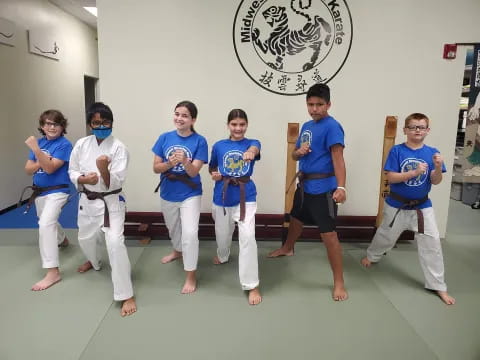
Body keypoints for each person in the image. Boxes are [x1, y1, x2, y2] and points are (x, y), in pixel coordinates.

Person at [361, 113, 455, 305]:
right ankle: (373, 255)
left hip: (422, 207)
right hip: (396, 204)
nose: (417, 130)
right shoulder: (397, 151)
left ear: (427, 130)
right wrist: (413, 172)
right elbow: (391, 178)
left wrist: (436, 168)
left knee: (432, 244)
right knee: (386, 234)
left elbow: (436, 181)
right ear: (405, 130)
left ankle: (438, 285)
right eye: (413, 127)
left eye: (421, 127)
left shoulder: (432, 153)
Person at [268, 83, 348, 301]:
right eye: (311, 104)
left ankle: (339, 282)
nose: (315, 109)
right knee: (296, 218)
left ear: (328, 104)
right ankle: (288, 247)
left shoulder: (333, 127)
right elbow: (295, 156)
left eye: (319, 104)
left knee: (328, 235)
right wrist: (298, 152)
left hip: (324, 189)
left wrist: (341, 187)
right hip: (304, 185)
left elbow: (338, 158)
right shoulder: (306, 126)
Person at [68, 102, 137, 316]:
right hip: (86, 200)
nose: (100, 126)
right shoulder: (81, 144)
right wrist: (81, 178)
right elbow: (72, 170)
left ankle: (126, 294)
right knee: (85, 239)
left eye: (105, 122)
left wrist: (103, 170)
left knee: (115, 244)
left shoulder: (119, 148)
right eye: (96, 122)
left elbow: (115, 183)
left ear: (112, 123)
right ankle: (94, 262)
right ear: (90, 124)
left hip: (111, 203)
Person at [152, 101, 208, 294]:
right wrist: (170, 162)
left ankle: (190, 275)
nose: (179, 118)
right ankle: (177, 251)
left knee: (190, 233)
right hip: (168, 191)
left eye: (185, 115)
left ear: (193, 119)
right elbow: (155, 168)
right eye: (177, 114)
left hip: (190, 192)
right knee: (173, 226)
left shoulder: (200, 141)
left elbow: (193, 173)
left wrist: (184, 161)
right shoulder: (164, 138)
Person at [209, 109, 262, 305]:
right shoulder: (219, 146)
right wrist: (214, 174)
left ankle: (251, 284)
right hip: (222, 195)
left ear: (246, 125)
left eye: (242, 124)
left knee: (247, 237)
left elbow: (255, 149)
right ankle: (223, 255)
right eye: (234, 124)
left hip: (245, 195)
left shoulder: (252, 143)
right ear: (228, 125)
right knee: (222, 236)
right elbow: (212, 167)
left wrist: (250, 152)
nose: (238, 128)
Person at [24, 110, 72, 291]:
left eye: (56, 124)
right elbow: (28, 169)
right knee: (46, 219)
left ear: (62, 127)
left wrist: (36, 150)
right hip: (39, 192)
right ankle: (63, 240)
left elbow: (51, 168)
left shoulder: (64, 145)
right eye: (48, 123)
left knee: (45, 223)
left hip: (57, 191)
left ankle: (53, 272)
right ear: (42, 126)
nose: (51, 127)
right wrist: (41, 161)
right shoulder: (41, 142)